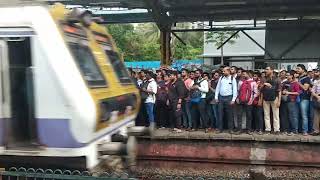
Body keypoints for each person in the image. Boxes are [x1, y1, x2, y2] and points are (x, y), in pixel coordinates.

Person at [215, 67, 238, 133]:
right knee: (220, 114)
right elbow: (217, 88)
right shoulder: (221, 78)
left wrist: (233, 99)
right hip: (221, 98)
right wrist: (216, 97)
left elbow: (235, 90)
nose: (223, 72)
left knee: (230, 114)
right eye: (223, 71)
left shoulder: (232, 78)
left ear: (228, 71)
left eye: (224, 71)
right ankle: (220, 129)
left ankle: (230, 129)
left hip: (229, 98)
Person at [261, 66, 281, 134]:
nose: (266, 70)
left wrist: (279, 101)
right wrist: (264, 84)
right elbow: (260, 89)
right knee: (266, 114)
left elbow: (279, 90)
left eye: (267, 69)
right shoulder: (263, 79)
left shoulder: (277, 79)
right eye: (265, 69)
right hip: (265, 98)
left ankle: (276, 129)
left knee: (276, 115)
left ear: (272, 70)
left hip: (275, 98)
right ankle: (268, 129)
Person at [282, 71, 300, 135]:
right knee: (286, 116)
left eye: (288, 75)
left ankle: (294, 130)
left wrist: (288, 93)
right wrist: (283, 91)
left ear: (292, 76)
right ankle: (288, 130)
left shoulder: (295, 83)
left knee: (292, 116)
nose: (287, 76)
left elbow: (298, 92)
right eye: (286, 75)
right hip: (285, 101)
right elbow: (282, 90)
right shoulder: (285, 83)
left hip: (292, 101)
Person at [296, 64, 312, 135]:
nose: (297, 70)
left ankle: (305, 131)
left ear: (303, 69)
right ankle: (299, 130)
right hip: (298, 98)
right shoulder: (299, 77)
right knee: (298, 115)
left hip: (304, 99)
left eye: (298, 69)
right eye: (297, 69)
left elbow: (305, 88)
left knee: (304, 115)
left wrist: (298, 83)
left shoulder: (306, 78)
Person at [311, 69, 320, 135]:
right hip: (317, 98)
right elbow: (312, 91)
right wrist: (317, 97)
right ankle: (316, 130)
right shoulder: (316, 82)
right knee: (316, 115)